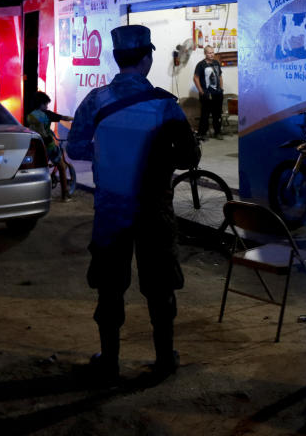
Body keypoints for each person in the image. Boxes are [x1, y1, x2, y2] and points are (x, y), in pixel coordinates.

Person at [67, 25, 199, 385]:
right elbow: (189, 157)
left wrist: (110, 156)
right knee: (159, 285)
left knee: (109, 285)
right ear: (146, 58)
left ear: (115, 58)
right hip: (154, 209)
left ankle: (109, 361)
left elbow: (75, 148)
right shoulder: (164, 104)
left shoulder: (96, 100)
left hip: (111, 208)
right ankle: (163, 360)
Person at [25, 91, 73, 201]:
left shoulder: (30, 115)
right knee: (61, 166)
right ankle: (64, 195)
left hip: (35, 146)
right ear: (41, 103)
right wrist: (74, 118)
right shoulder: (46, 114)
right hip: (48, 145)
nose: (47, 106)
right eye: (46, 104)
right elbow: (64, 118)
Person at [193, 46, 223, 141]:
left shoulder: (216, 63)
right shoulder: (201, 65)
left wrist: (221, 88)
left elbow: (220, 76)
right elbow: (195, 78)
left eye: (212, 52)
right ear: (205, 53)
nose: (211, 54)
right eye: (209, 53)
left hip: (217, 94)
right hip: (206, 94)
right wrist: (201, 91)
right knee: (205, 115)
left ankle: (217, 132)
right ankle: (202, 133)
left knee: (217, 114)